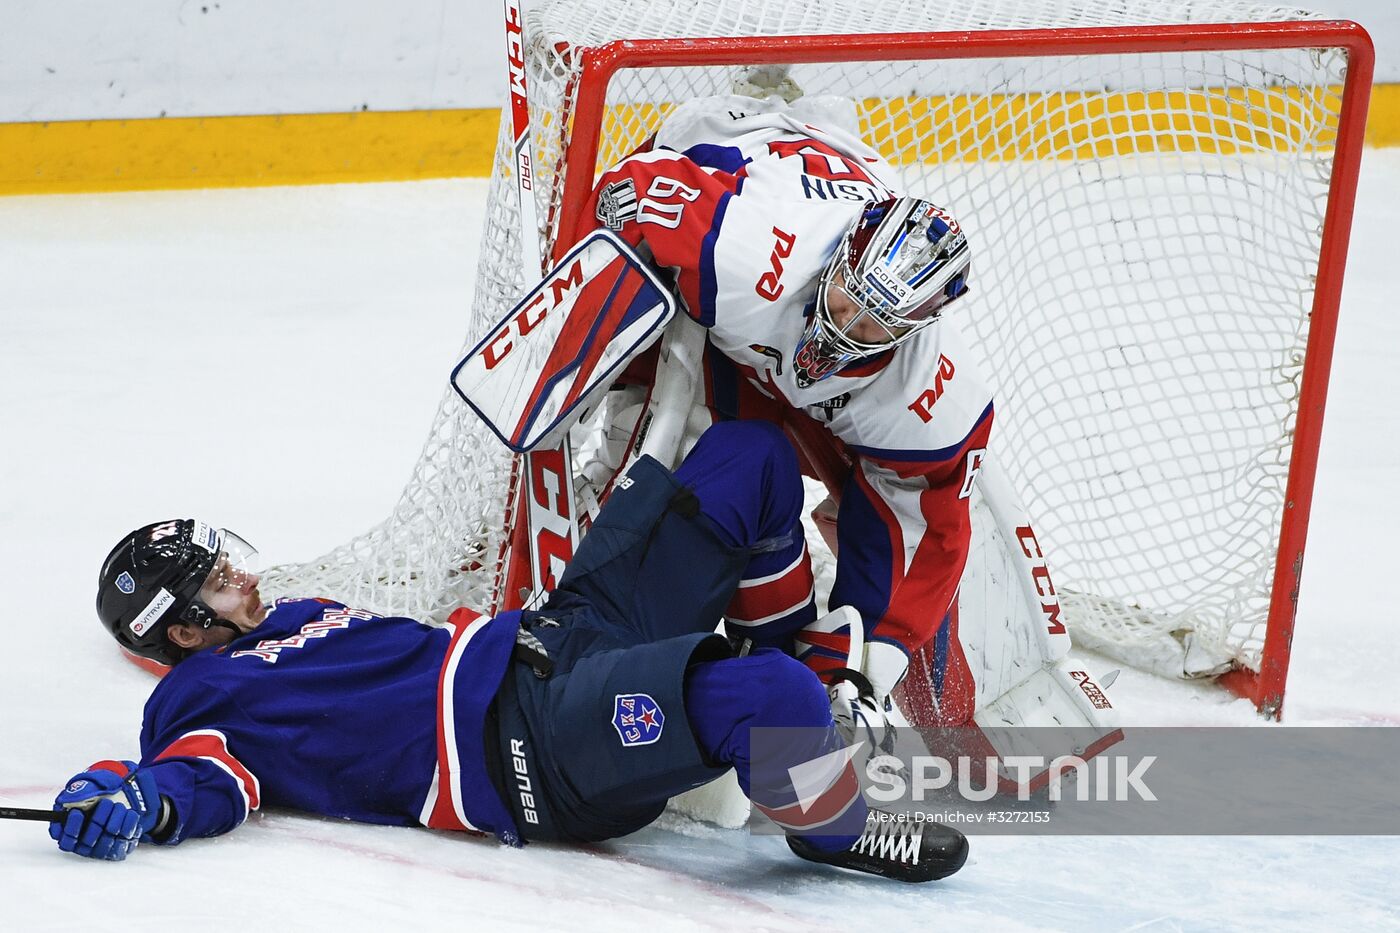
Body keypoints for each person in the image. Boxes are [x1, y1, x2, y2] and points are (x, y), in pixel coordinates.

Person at [51, 421, 967, 883]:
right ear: (181, 632)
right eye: (216, 582)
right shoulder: (203, 694)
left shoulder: (295, 615)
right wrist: (132, 796)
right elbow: (195, 778)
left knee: (749, 458)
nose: (243, 576)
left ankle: (799, 716)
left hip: (560, 635)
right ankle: (833, 827)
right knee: (761, 697)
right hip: (535, 750)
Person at [576, 82, 995, 733]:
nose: (847, 326)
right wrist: (583, 373)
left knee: (812, 488)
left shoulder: (931, 393)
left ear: (914, 329)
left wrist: (865, 670)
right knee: (681, 450)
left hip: (833, 175)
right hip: (731, 148)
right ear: (839, 259)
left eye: (875, 326)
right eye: (848, 300)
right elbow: (623, 196)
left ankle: (782, 671)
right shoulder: (735, 246)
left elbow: (920, 528)